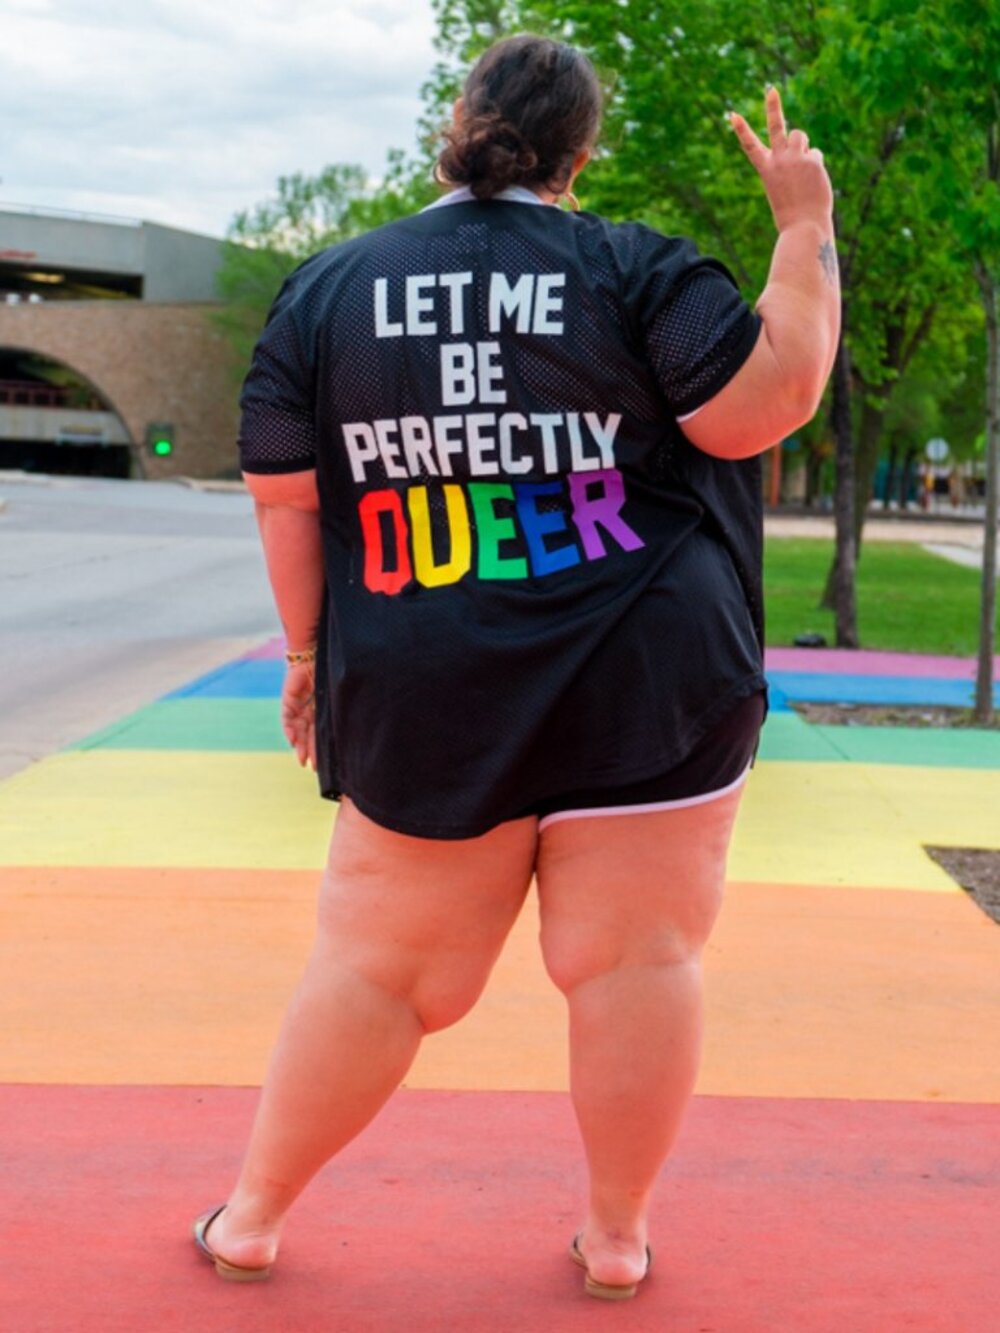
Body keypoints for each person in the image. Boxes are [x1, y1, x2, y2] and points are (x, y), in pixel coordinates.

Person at [193, 34, 839, 1301]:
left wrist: (309, 653)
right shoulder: (633, 268)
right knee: (638, 960)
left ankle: (253, 1216)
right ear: (581, 157)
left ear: (459, 119)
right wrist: (802, 223)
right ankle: (615, 1237)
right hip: (650, 675)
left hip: (427, 681)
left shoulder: (326, 292)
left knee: (379, 970)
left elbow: (283, 495)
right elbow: (770, 398)